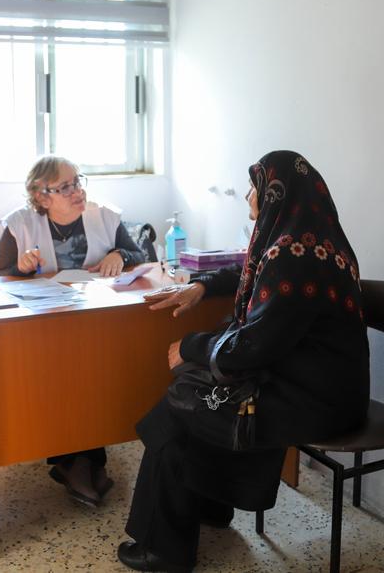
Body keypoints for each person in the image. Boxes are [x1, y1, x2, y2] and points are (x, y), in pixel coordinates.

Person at [116, 150, 370, 572]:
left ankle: (163, 550)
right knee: (202, 391)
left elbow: (255, 346)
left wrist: (193, 346)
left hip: (315, 402)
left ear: (276, 193)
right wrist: (204, 284)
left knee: (183, 400)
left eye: (254, 186)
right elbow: (252, 275)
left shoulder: (293, 256)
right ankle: (213, 507)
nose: (248, 194)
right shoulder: (315, 239)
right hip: (329, 389)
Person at [0, 155, 148, 506]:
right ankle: (76, 463)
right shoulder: (20, 223)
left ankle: (84, 464)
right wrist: (21, 267)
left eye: (78, 181)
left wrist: (120, 253)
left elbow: (140, 253)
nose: (78, 191)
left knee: (94, 371)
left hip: (95, 322)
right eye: (66, 187)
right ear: (41, 196)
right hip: (42, 329)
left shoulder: (102, 214)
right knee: (65, 374)